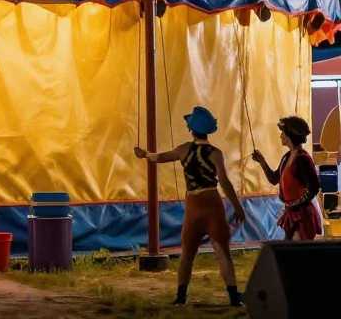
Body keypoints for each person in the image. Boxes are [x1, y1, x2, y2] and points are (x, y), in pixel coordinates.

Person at [134, 106, 245, 308]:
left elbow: (159, 157)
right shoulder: (215, 153)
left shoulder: (184, 149)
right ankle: (234, 298)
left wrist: (144, 154)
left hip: (193, 206)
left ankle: (180, 297)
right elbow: (224, 182)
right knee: (222, 252)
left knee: (187, 254)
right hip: (212, 204)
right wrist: (238, 207)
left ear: (191, 129)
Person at [252, 115, 322, 241]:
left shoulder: (302, 159)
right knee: (291, 248)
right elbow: (274, 179)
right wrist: (262, 161)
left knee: (298, 248)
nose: (280, 136)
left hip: (302, 215)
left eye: (283, 133)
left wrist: (297, 204)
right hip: (291, 213)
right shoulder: (287, 157)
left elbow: (314, 187)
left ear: (290, 135)